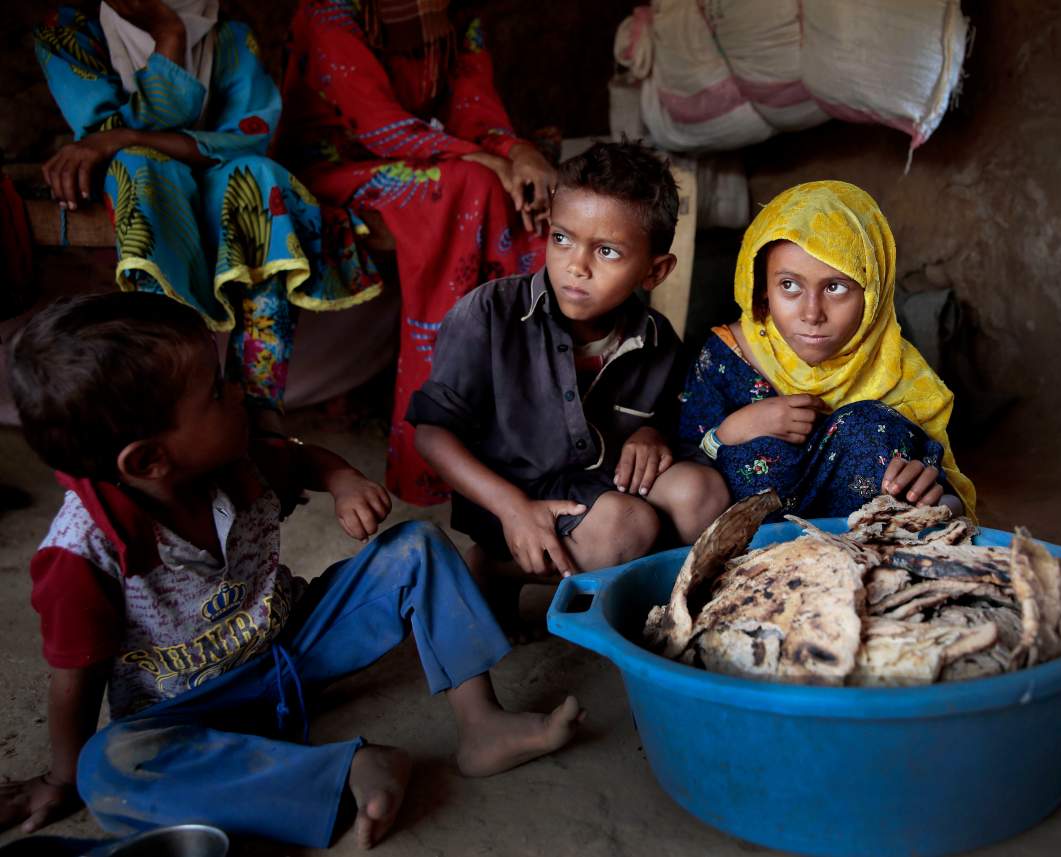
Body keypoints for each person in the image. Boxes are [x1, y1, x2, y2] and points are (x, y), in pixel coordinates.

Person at [0, 292, 582, 850]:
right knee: (109, 770)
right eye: (216, 389)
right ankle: (344, 769)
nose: (240, 392)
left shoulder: (235, 451)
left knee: (417, 547)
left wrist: (341, 480)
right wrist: (62, 777)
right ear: (151, 459)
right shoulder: (82, 554)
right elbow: (74, 675)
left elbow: (298, 456)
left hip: (290, 647)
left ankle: (483, 726)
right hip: (189, 709)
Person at [407, 141, 729, 623]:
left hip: (597, 481)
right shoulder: (488, 314)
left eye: (607, 251)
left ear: (655, 271)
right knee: (627, 526)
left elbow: (670, 416)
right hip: (509, 493)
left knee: (703, 492)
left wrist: (651, 433)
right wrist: (513, 508)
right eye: (562, 239)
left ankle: (670, 613)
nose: (577, 266)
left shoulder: (658, 340)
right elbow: (431, 433)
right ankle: (498, 568)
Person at [34, 1, 383, 432]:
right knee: (140, 165)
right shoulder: (67, 30)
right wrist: (169, 37)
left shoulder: (229, 34)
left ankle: (258, 407)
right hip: (145, 177)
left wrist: (130, 130)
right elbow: (100, 136)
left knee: (261, 175)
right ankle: (175, 403)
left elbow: (249, 138)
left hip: (212, 171)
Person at [280, 0, 556, 505]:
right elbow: (375, 123)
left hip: (431, 155)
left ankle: (525, 424)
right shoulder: (332, 10)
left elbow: (475, 110)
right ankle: (433, 443)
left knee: (534, 200)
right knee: (468, 186)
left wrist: (518, 154)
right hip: (331, 166)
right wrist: (480, 159)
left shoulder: (452, 12)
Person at [679, 180, 977, 521]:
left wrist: (932, 499)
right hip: (749, 567)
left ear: (872, 292)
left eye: (836, 287)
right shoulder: (726, 358)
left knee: (871, 424)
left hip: (861, 564)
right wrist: (730, 432)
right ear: (762, 288)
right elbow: (677, 482)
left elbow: (951, 505)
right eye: (789, 285)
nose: (811, 313)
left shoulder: (902, 376)